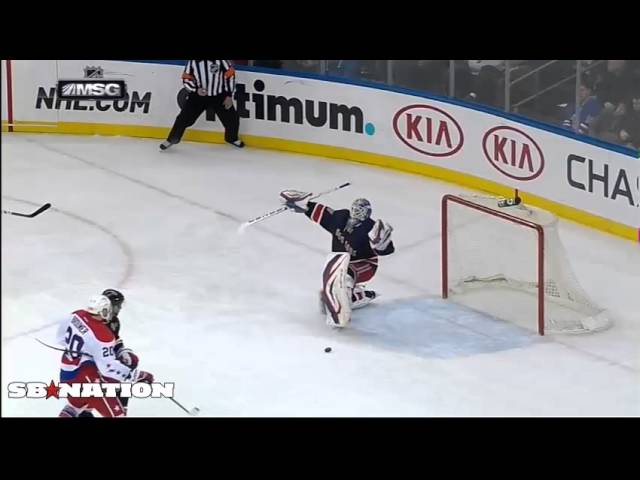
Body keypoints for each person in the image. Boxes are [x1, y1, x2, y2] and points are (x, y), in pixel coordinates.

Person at [281, 190, 395, 327]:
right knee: (328, 295)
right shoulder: (340, 218)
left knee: (344, 278)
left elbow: (385, 250)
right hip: (342, 261)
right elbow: (321, 213)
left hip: (365, 265)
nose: (358, 213)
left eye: (362, 211)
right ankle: (360, 295)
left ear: (368, 213)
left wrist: (383, 245)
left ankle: (341, 311)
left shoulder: (370, 228)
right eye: (356, 209)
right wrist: (302, 204)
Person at [56, 294, 154, 418]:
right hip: (86, 378)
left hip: (66, 373)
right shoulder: (102, 334)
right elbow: (108, 368)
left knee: (73, 407)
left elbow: (60, 338)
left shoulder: (76, 315)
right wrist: (137, 375)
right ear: (104, 310)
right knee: (117, 415)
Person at [160, 60, 244, 151]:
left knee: (232, 119)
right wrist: (196, 89)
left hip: (219, 95)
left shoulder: (221, 61)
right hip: (198, 96)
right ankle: (172, 139)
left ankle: (231, 138)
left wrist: (228, 95)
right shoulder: (193, 61)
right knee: (183, 118)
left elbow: (230, 75)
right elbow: (186, 78)